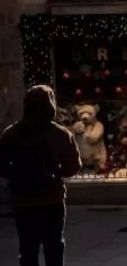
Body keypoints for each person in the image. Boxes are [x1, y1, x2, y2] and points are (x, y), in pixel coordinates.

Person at [0, 85, 81, 266]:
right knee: (54, 246)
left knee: (28, 248)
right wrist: (55, 172)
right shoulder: (60, 134)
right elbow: (73, 166)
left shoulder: (11, 133)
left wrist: (18, 176)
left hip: (23, 201)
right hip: (52, 200)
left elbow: (2, 167)